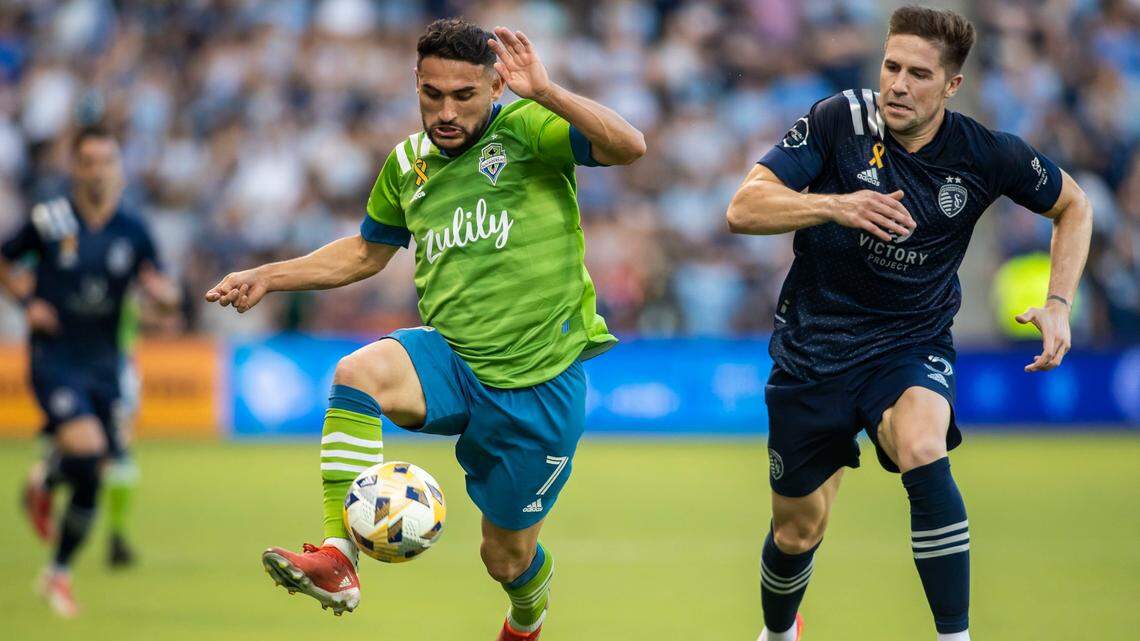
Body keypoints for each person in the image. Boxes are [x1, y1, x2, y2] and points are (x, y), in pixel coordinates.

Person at [204, 18, 644, 640]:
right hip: (454, 362)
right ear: (415, 83)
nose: (445, 110)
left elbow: (630, 147)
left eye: (463, 96)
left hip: (538, 385)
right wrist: (271, 276)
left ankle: (527, 618)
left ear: (496, 87)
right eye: (432, 93)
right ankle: (339, 558)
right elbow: (366, 252)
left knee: (505, 558)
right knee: (356, 374)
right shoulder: (407, 163)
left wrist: (545, 90)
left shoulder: (529, 130)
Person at [725, 7, 1092, 641]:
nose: (897, 84)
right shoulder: (838, 120)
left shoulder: (984, 153)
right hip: (813, 349)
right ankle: (780, 632)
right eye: (891, 66)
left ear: (951, 86)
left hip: (908, 343)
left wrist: (1058, 303)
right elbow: (743, 208)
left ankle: (955, 635)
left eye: (918, 74)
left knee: (924, 445)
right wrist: (837, 205)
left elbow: (1073, 204)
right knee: (798, 529)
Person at [0, 125, 180, 617]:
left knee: (95, 473)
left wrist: (164, 296)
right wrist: (25, 301)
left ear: (118, 169)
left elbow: (158, 285)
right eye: (89, 161)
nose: (98, 170)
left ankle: (56, 570)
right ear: (74, 168)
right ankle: (50, 477)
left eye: (106, 161)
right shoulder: (50, 218)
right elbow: (5, 260)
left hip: (106, 360)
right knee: (90, 448)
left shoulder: (133, 229)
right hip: (55, 356)